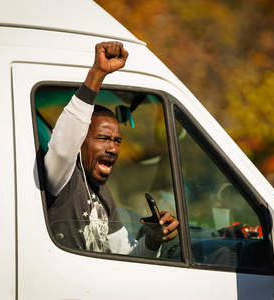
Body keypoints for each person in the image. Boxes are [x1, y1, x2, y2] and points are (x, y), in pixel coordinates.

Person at [44, 41, 179, 256]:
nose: (113, 148)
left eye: (117, 141)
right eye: (104, 138)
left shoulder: (104, 196)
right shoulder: (64, 180)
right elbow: (63, 146)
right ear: (80, 141)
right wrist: (97, 73)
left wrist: (153, 240)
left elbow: (126, 256)